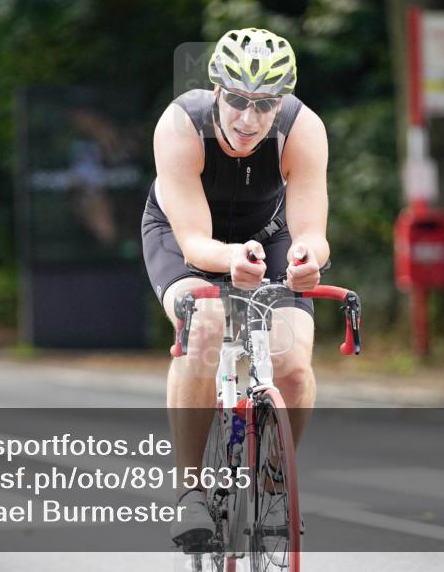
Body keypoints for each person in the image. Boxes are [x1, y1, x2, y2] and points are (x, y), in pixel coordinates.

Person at [140, 27, 330, 550]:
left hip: (268, 235)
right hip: (184, 237)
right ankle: (190, 494)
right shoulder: (181, 125)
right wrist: (228, 260)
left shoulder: (303, 129)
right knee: (203, 329)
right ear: (218, 91)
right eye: (239, 101)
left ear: (281, 103)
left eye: (265, 105)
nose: (249, 119)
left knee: (293, 361)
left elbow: (312, 231)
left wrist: (308, 259)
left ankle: (272, 484)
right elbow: (198, 242)